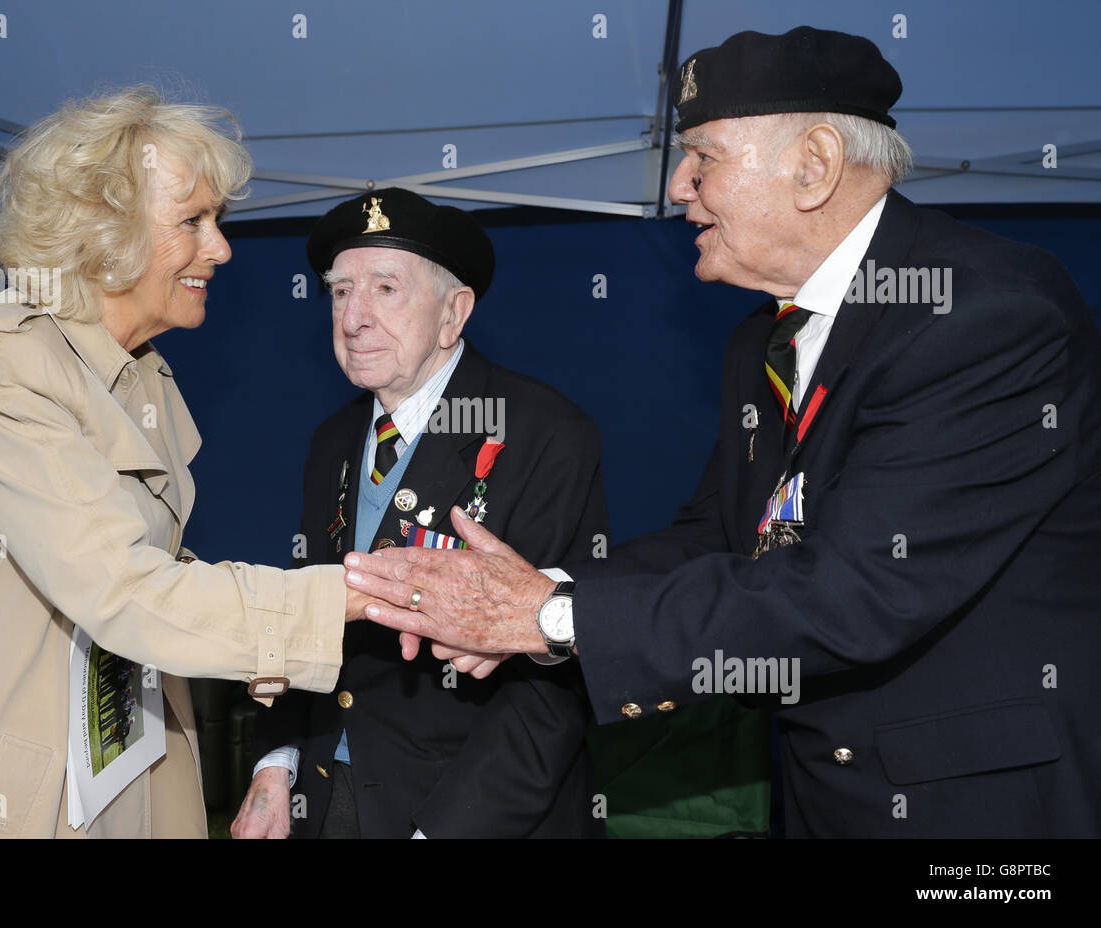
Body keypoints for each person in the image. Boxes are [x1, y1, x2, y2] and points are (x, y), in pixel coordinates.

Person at [345, 27, 1101, 837]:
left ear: (813, 166)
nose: (678, 187)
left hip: (979, 812)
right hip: (827, 797)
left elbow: (857, 594)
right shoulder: (762, 340)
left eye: (703, 158)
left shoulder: (983, 315)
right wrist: (545, 591)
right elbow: (721, 536)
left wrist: (546, 620)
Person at [0, 87, 369, 839]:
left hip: (111, 770)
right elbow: (121, 588)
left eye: (218, 220)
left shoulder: (145, 377)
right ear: (104, 232)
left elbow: (136, 563)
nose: (222, 247)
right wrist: (350, 599)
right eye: (193, 221)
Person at [231, 188, 608, 838]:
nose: (353, 318)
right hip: (328, 799)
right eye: (341, 292)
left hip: (475, 812)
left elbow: (554, 684)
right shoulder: (332, 442)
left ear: (453, 313)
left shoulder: (546, 434)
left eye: (385, 289)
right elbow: (304, 609)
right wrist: (275, 762)